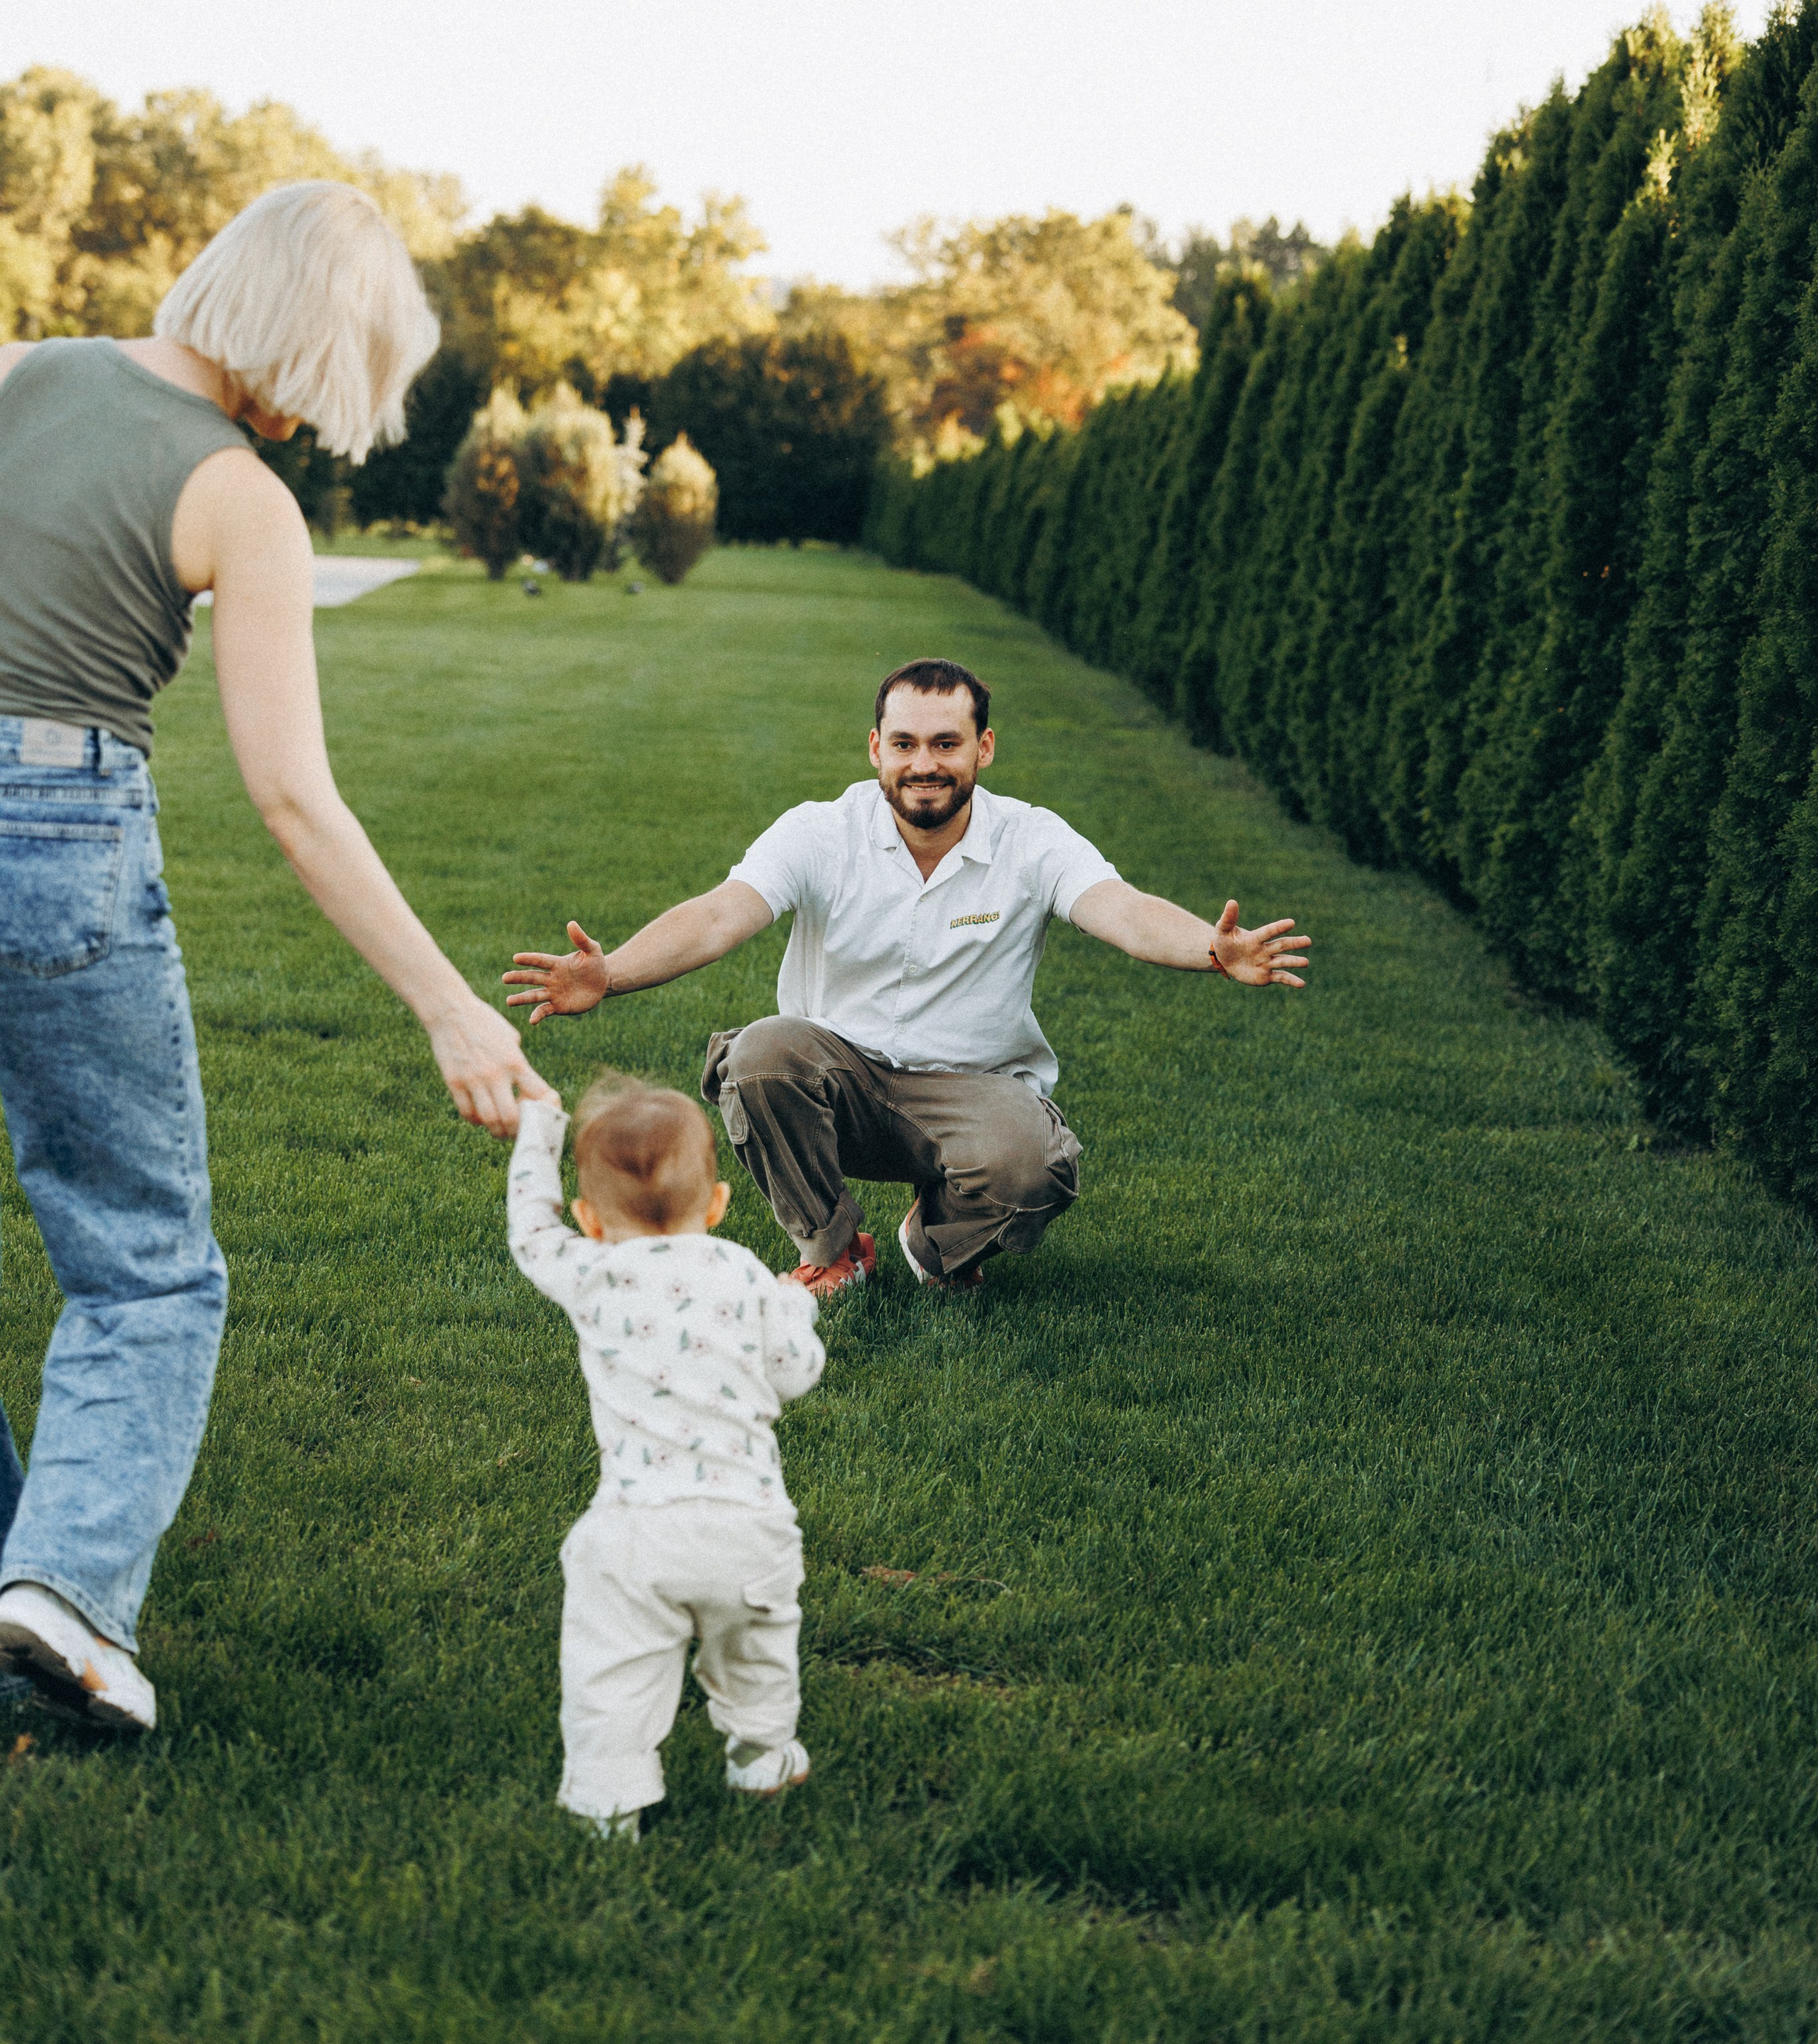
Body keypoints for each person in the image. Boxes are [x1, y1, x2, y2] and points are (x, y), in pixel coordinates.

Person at [0, 181, 550, 1733]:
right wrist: (451, 1011)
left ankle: (24, 1579)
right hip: (56, 831)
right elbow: (294, 798)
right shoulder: (240, 496)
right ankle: (65, 1591)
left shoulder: (24, 368)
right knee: (145, 1268)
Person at [504, 656, 1309, 1299]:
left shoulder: (1030, 839)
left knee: (1035, 1168)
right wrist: (611, 976)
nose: (924, 764)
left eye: (946, 744)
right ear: (875, 748)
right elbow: (721, 915)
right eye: (905, 744)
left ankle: (935, 1243)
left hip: (971, 1089)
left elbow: (1123, 911)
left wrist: (1211, 946)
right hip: (838, 1079)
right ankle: (832, 1253)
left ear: (982, 749)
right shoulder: (822, 830)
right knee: (759, 1054)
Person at [507, 1073, 823, 1839]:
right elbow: (792, 1376)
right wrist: (795, 1306)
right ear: (716, 1206)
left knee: (612, 1670)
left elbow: (529, 1234)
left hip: (636, 1529)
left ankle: (610, 1803)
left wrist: (538, 1128)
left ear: (588, 1219)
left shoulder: (591, 1272)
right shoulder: (747, 1275)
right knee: (756, 1653)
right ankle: (761, 1755)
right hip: (750, 1527)